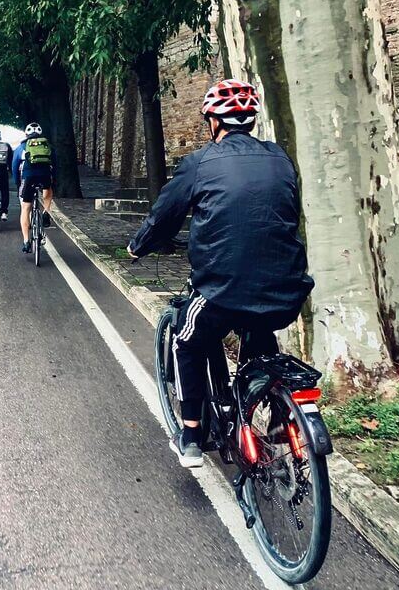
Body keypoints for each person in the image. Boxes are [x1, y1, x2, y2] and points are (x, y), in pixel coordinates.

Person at [127, 79, 314, 468]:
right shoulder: (280, 158)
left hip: (221, 291)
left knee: (186, 339)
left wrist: (137, 246)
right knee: (259, 328)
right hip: (288, 290)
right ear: (251, 120)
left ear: (214, 121)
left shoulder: (201, 163)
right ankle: (276, 415)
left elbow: (164, 216)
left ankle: (192, 433)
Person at [12, 122, 56, 253]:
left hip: (28, 177)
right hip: (44, 176)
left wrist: (17, 182)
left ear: (26, 134)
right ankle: (46, 212)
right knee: (48, 190)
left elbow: (14, 166)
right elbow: (55, 163)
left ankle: (26, 241)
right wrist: (54, 178)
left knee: (25, 208)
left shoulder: (21, 147)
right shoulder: (48, 145)